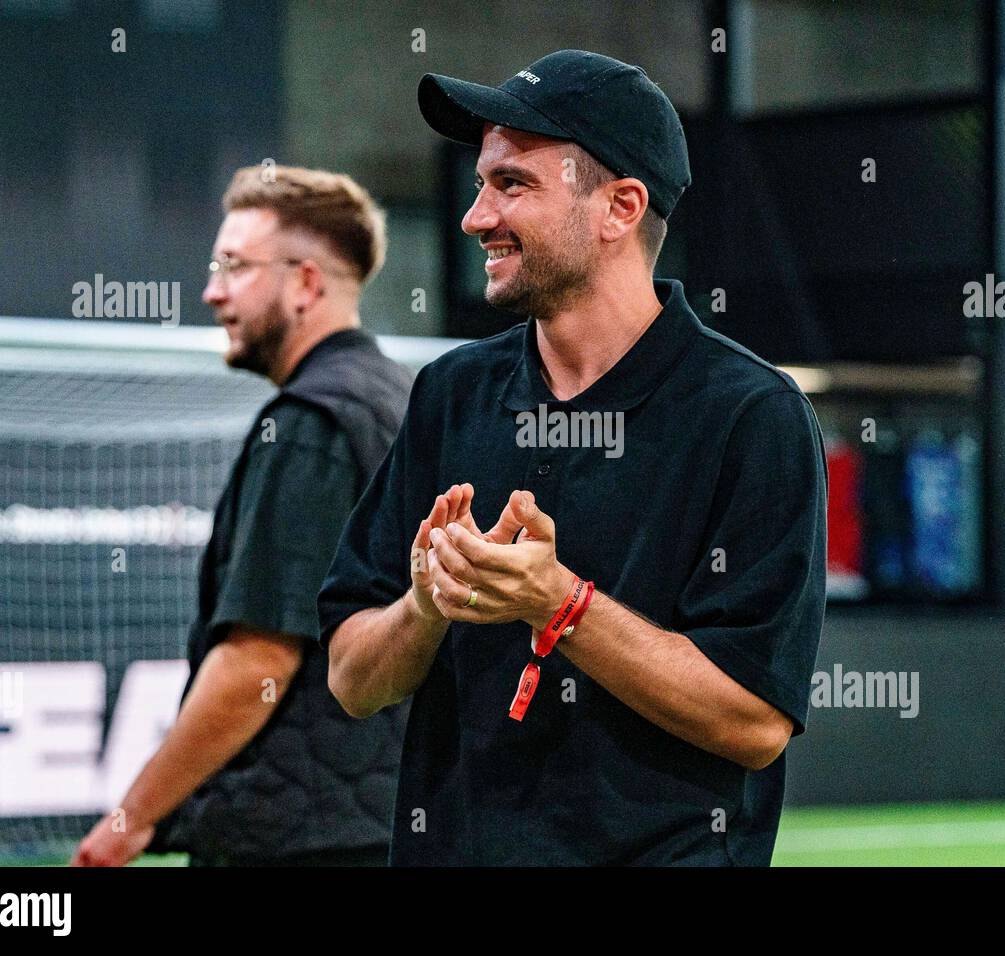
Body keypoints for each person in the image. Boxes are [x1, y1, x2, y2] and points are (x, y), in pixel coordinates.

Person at [320, 50, 828, 866]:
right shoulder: (450, 393)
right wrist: (426, 603)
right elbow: (352, 679)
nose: (476, 216)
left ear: (620, 208)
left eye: (512, 184)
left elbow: (755, 723)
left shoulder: (752, 416)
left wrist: (560, 603)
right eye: (483, 182)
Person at [73, 165, 412, 866]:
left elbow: (256, 660)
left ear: (307, 284)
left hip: (300, 840)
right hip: (384, 822)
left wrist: (129, 820)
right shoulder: (402, 400)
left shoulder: (308, 425)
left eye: (234, 267)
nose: (212, 291)